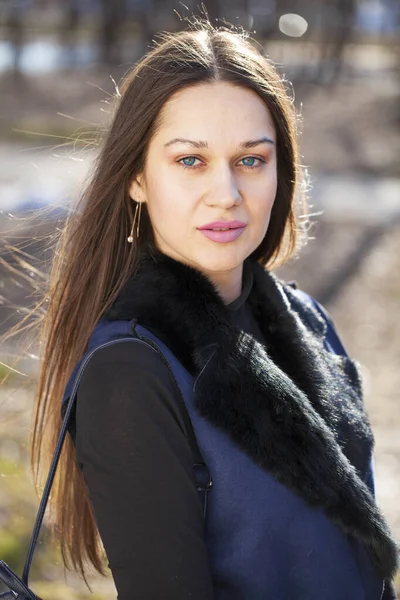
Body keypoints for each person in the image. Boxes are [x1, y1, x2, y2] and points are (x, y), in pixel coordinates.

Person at [30, 20, 399, 600]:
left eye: (251, 160)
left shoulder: (305, 319)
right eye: (190, 161)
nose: (226, 192)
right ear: (136, 176)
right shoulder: (131, 372)